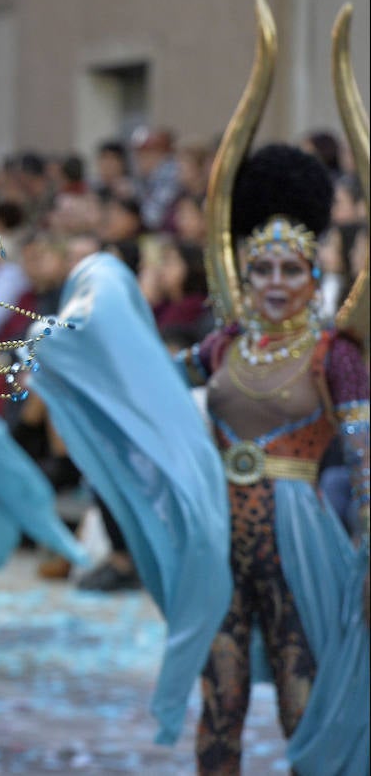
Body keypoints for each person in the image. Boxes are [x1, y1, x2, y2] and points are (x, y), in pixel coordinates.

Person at [180, 144, 368, 773]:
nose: (277, 283)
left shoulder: (333, 354)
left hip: (298, 543)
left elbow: (368, 462)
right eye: (263, 270)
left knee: (301, 700)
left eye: (292, 269)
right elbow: (151, 388)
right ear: (246, 275)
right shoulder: (222, 346)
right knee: (219, 700)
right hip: (221, 539)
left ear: (314, 275)